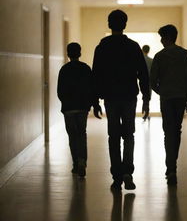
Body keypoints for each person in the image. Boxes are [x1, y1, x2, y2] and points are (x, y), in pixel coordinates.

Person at [92, 10, 150, 190]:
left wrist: (95, 101)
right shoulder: (133, 46)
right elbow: (143, 75)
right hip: (128, 96)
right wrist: (146, 100)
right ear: (125, 24)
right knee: (129, 135)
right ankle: (127, 172)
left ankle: (116, 175)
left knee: (113, 136)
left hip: (110, 97)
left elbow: (96, 75)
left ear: (109, 25)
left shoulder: (102, 47)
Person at [150, 24, 187, 185]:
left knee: (168, 131)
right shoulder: (185, 54)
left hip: (167, 98)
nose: (161, 40)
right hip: (181, 97)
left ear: (167, 37)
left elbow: (152, 81)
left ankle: (171, 168)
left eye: (162, 37)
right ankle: (172, 165)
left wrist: (161, 91)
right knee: (176, 130)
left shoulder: (160, 56)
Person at [57, 42, 102, 178]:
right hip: (82, 107)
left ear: (68, 54)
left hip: (69, 108)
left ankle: (76, 164)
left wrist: (65, 102)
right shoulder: (85, 69)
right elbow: (92, 88)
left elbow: (60, 91)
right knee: (82, 133)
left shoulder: (64, 70)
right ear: (80, 53)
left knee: (72, 135)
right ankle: (82, 161)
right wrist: (94, 104)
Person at [142, 45, 153, 120]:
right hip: (149, 82)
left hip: (141, 81)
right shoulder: (151, 60)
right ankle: (146, 111)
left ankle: (145, 111)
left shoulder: (139, 59)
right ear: (148, 51)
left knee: (144, 97)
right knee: (147, 97)